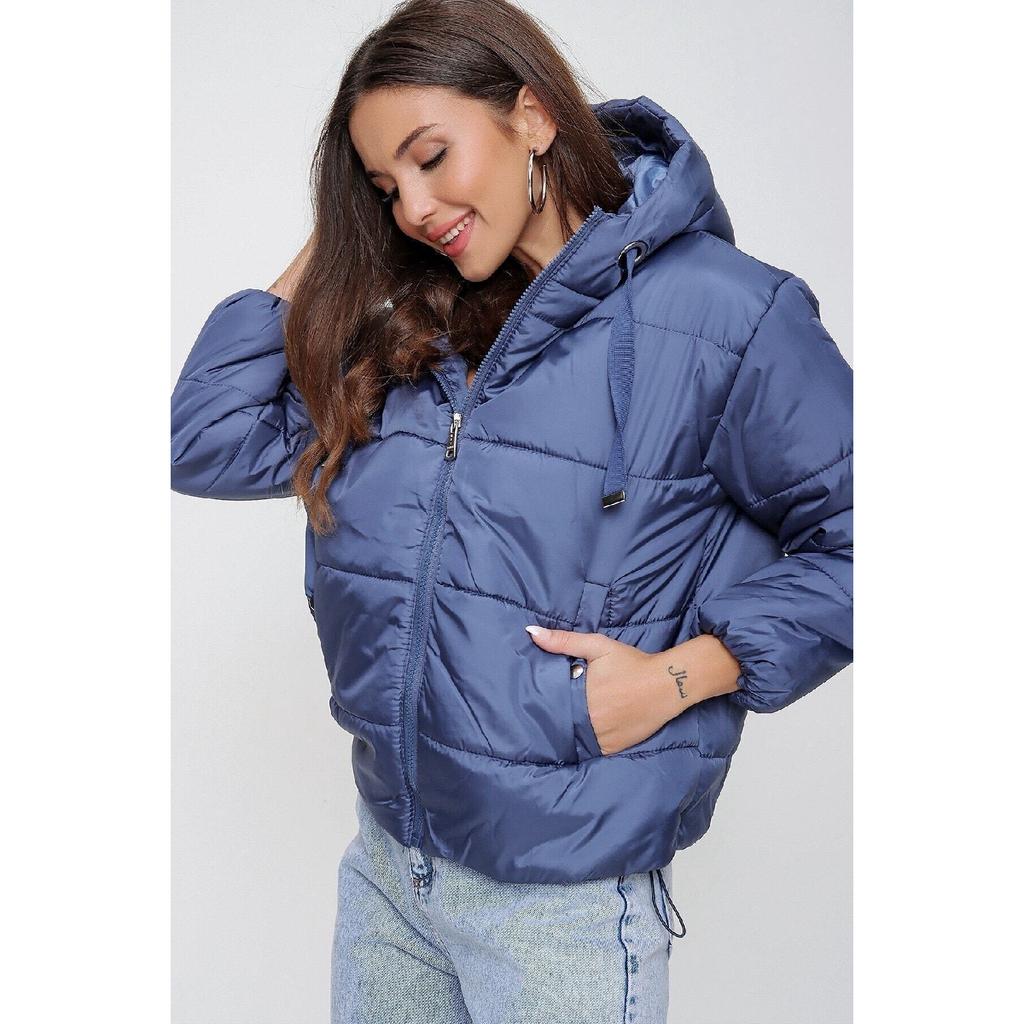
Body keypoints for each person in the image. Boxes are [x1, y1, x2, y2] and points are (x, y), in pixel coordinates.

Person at [170, 0, 853, 1020]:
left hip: (562, 901)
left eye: (430, 156)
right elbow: (205, 440)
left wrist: (678, 678)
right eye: (384, 186)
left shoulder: (727, 315)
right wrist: (343, 235)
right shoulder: (412, 324)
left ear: (531, 116)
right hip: (392, 869)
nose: (413, 207)